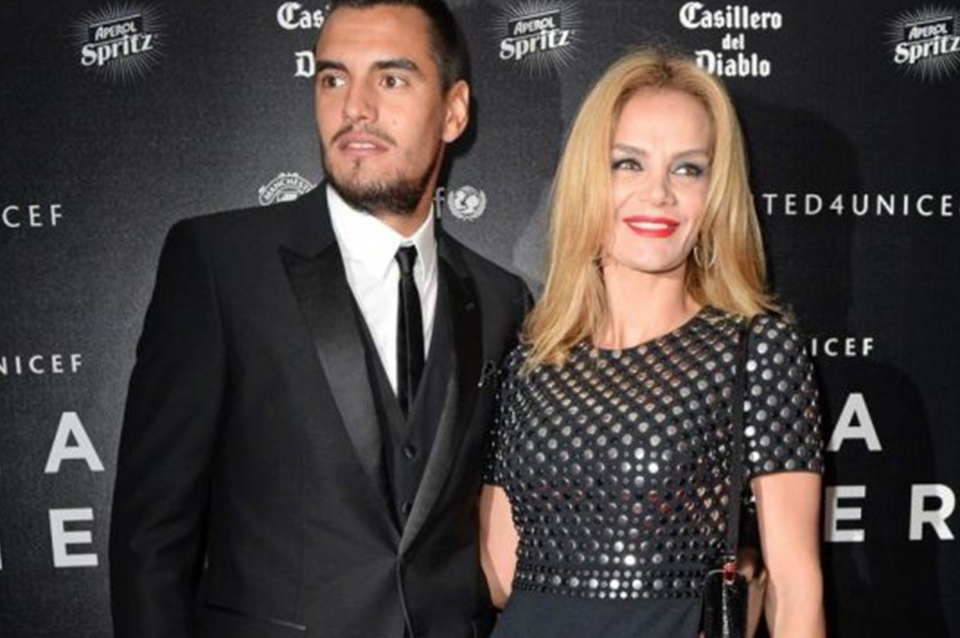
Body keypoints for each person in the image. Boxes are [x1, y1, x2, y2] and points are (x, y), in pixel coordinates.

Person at [109, 1, 529, 637]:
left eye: (391, 79)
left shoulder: (501, 300)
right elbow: (151, 540)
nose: (355, 107)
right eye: (333, 78)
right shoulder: (222, 266)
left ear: (454, 111)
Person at [479, 49, 825, 638]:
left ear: (716, 193)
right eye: (628, 164)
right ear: (589, 177)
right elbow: (502, 575)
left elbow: (797, 591)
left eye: (687, 169)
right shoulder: (532, 363)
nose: (659, 193)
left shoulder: (752, 350)